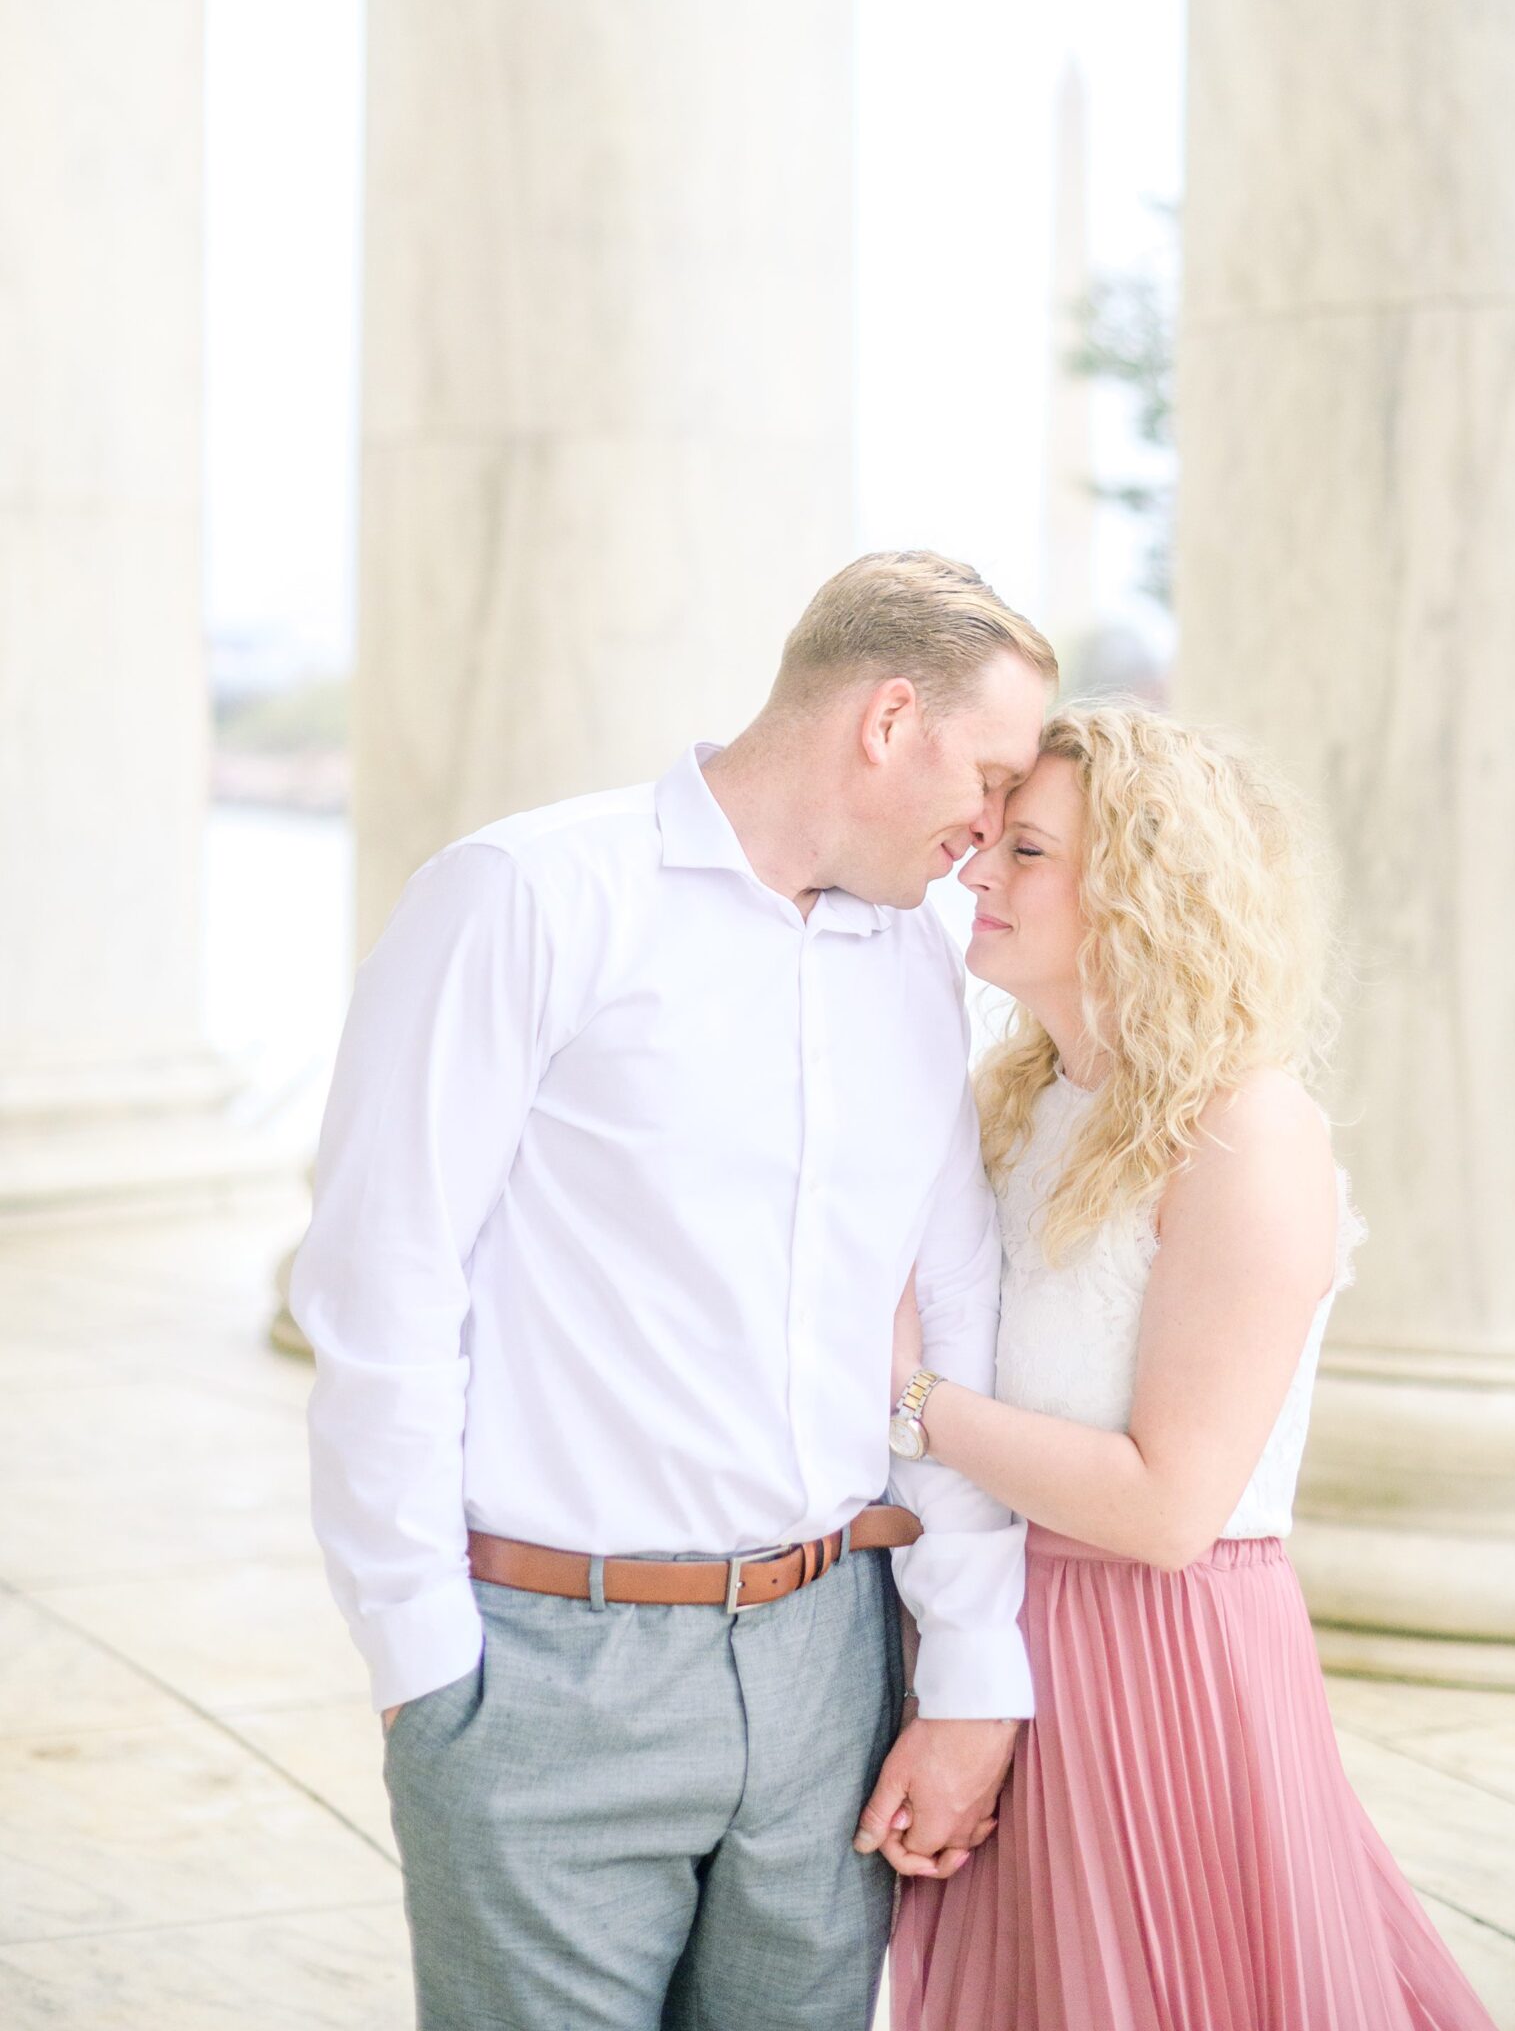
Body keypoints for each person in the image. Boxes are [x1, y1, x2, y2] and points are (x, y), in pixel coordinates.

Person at [290, 551, 1055, 2031]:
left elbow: (952, 1311)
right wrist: (425, 1668)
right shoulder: (527, 893)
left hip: (835, 1664)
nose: (992, 833)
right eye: (993, 774)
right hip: (544, 1675)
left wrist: (970, 1669)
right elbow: (383, 1289)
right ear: (890, 720)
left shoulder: (911, 965)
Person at [878, 702, 1498, 2031]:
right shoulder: (1021, 1106)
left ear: (1143, 886)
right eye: (985, 842)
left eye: (1027, 851)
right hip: (1003, 1643)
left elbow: (1170, 1509)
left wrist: (915, 1401)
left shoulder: (1246, 1130)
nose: (976, 872)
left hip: (1159, 1663)